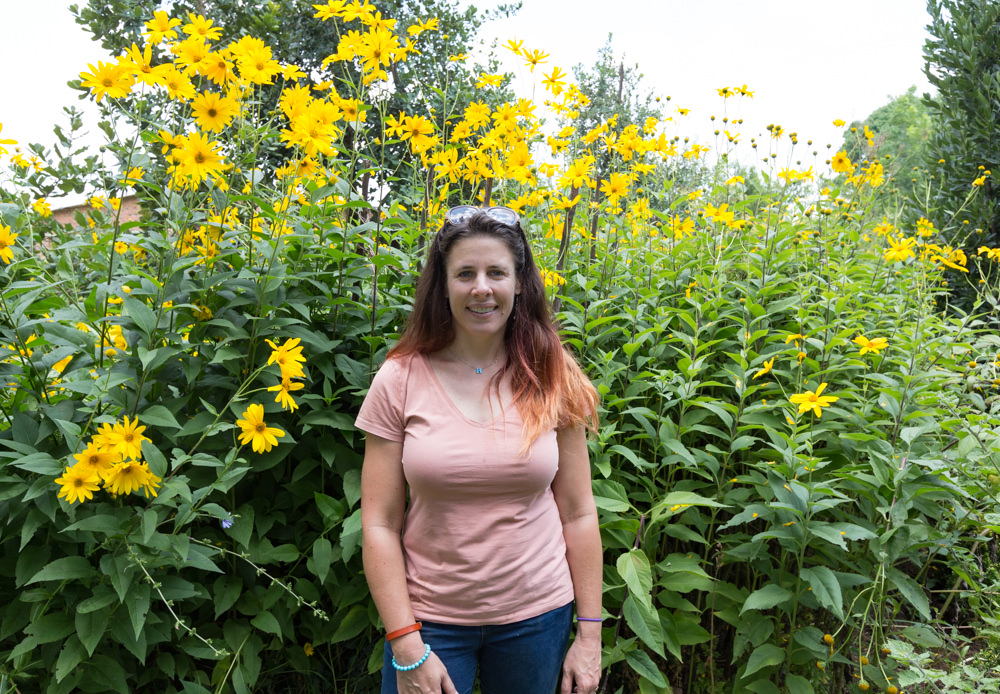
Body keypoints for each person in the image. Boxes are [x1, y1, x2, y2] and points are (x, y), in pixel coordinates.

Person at [357, 205, 603, 694]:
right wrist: (405, 644)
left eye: (497, 273)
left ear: (520, 283)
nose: (481, 288)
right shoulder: (399, 378)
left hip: (539, 618)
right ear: (443, 285)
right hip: (428, 622)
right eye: (465, 273)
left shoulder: (552, 373)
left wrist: (590, 636)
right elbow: (379, 523)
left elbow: (578, 513)